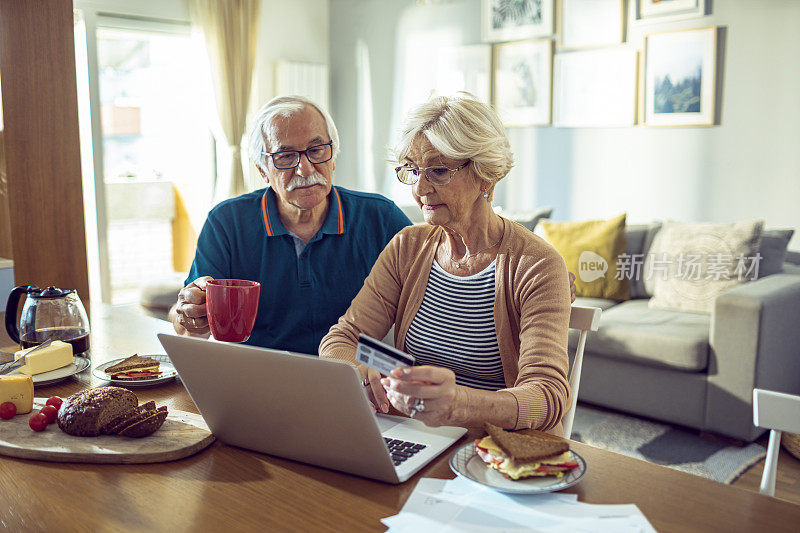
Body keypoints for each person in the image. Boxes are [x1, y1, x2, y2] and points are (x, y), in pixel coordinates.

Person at [319, 94, 572, 435]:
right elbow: (342, 338)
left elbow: (547, 395)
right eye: (413, 169)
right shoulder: (407, 247)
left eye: (438, 171)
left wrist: (459, 405)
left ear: (485, 174)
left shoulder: (536, 265)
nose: (421, 188)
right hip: (417, 435)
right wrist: (356, 372)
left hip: (497, 449)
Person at [169, 95, 412, 354]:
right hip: (258, 375)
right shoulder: (227, 222)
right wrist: (189, 316)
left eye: (316, 151)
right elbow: (185, 318)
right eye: (285, 156)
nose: (305, 169)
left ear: (333, 157)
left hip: (352, 374)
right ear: (262, 169)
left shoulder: (381, 217)